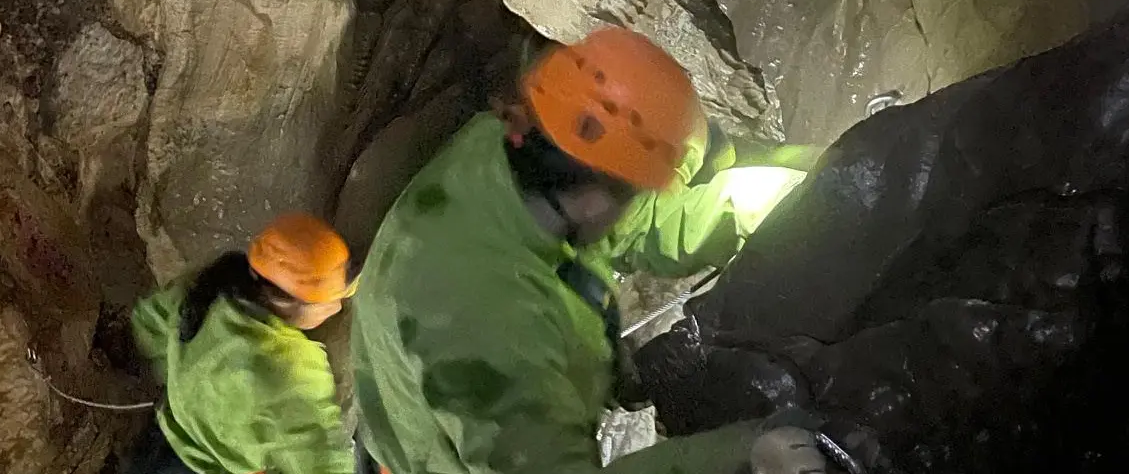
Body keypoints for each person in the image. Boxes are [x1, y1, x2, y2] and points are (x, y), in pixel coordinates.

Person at [350, 26, 836, 474]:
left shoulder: (514, 151)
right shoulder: (494, 331)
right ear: (596, 198)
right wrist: (746, 449)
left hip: (427, 390)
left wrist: (740, 207)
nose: (639, 206)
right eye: (641, 192)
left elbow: (620, 229)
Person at [124, 212, 359, 474]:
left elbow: (147, 323)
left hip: (161, 442)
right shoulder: (292, 371)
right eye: (332, 300)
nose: (338, 307)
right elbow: (323, 460)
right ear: (291, 303)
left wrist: (185, 383)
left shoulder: (206, 288)